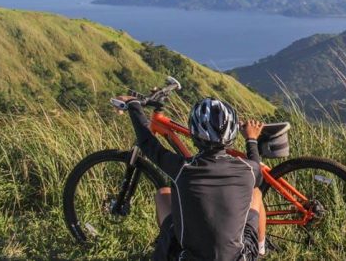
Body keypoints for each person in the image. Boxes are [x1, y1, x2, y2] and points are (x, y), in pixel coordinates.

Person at [113, 95, 266, 260]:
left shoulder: (182, 168)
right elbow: (256, 170)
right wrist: (251, 139)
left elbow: (148, 143)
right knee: (255, 193)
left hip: (187, 258)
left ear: (193, 133)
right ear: (233, 134)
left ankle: (169, 245)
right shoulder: (249, 169)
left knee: (163, 194)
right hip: (237, 258)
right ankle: (261, 249)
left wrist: (133, 104)